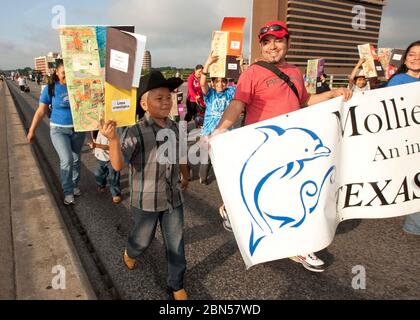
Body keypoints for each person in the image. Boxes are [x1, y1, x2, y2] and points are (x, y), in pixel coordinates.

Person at [214, 20, 352, 273]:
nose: (272, 46)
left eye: (278, 40)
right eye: (266, 42)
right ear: (261, 46)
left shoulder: (296, 73)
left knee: (294, 194)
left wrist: (332, 94)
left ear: (287, 42)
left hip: (292, 145)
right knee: (254, 189)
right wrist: (222, 128)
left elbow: (306, 100)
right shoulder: (252, 72)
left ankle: (300, 246)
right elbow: (237, 104)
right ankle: (232, 211)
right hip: (262, 144)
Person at [99, 71, 190, 300]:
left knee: (176, 243)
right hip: (145, 201)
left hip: (173, 199)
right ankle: (131, 251)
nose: (166, 102)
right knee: (142, 240)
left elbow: (181, 155)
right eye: (159, 98)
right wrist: (112, 140)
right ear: (144, 103)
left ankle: (176, 284)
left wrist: (185, 176)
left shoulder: (176, 126)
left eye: (168, 97)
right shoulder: (136, 130)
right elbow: (119, 165)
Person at [27, 59, 86, 205]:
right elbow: (41, 111)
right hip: (58, 129)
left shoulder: (80, 86)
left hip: (78, 129)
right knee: (67, 160)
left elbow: (88, 109)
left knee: (76, 159)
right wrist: (31, 130)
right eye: (64, 73)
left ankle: (74, 185)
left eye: (70, 73)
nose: (67, 76)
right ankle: (68, 191)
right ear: (57, 72)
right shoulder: (50, 88)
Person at [198, 52, 244, 232]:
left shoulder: (231, 92)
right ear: (213, 82)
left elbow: (242, 83)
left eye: (223, 81)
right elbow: (202, 83)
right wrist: (208, 63)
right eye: (216, 81)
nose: (220, 84)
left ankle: (224, 188)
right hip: (209, 132)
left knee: (224, 163)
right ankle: (203, 175)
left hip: (225, 132)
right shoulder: (209, 94)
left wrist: (241, 65)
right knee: (205, 159)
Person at [387, 40, 420, 235]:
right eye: (412, 54)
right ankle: (414, 225)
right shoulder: (397, 81)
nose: (416, 58)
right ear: (405, 59)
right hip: (407, 142)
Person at [88, 131, 122, 204]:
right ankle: (101, 185)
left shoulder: (115, 132)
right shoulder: (98, 128)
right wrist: (93, 140)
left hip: (112, 158)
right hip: (100, 157)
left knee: (114, 177)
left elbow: (112, 146)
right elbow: (93, 132)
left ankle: (115, 194)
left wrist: (96, 145)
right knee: (99, 174)